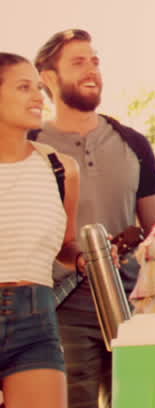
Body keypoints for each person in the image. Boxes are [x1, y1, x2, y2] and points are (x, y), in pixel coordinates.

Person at [31, 30, 155, 408]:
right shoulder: (29, 146)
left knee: (137, 401)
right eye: (78, 62)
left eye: (95, 61)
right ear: (49, 78)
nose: (92, 70)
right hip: (62, 309)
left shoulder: (133, 143)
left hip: (132, 305)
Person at [0, 53, 80, 408]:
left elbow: (66, 246)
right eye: (23, 87)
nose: (38, 96)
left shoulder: (60, 168)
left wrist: (84, 256)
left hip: (36, 322)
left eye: (38, 87)